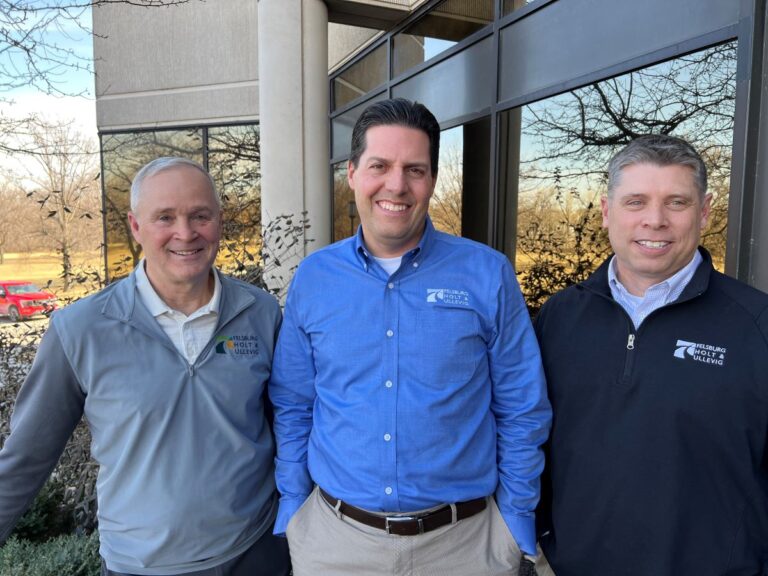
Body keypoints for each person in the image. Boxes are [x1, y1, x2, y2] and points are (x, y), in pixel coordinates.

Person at [269, 98, 552, 576]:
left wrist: (516, 518)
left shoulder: (487, 274)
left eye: (414, 170)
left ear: (432, 180)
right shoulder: (314, 278)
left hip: (465, 549)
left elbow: (522, 406)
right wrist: (294, 507)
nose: (396, 185)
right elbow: (293, 403)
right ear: (352, 173)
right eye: (379, 166)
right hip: (335, 546)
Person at [0, 157, 290, 576]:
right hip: (139, 566)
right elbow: (26, 457)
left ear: (219, 222)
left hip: (255, 554)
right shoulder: (81, 329)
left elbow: (289, 427)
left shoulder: (259, 313)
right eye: (165, 217)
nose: (185, 233)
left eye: (200, 215)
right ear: (136, 227)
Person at [534, 134, 768, 575]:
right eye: (636, 202)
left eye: (676, 203)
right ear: (607, 212)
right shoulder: (559, 317)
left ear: (704, 211)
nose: (655, 220)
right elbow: (531, 438)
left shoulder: (757, 326)